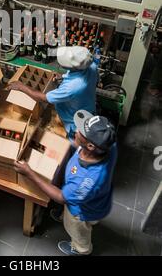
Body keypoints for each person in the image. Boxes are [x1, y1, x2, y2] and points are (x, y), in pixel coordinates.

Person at [15, 110, 117, 256]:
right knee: (70, 203)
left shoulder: (86, 180)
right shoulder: (108, 145)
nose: (76, 130)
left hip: (82, 211)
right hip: (91, 197)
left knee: (77, 228)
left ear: (90, 146)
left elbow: (61, 197)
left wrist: (30, 173)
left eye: (81, 131)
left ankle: (81, 249)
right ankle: (65, 213)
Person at [8, 46, 98, 140]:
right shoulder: (91, 66)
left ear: (74, 67)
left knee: (73, 143)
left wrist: (21, 87)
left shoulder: (72, 87)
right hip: (87, 107)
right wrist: (63, 77)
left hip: (74, 121)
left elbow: (44, 98)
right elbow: (79, 76)